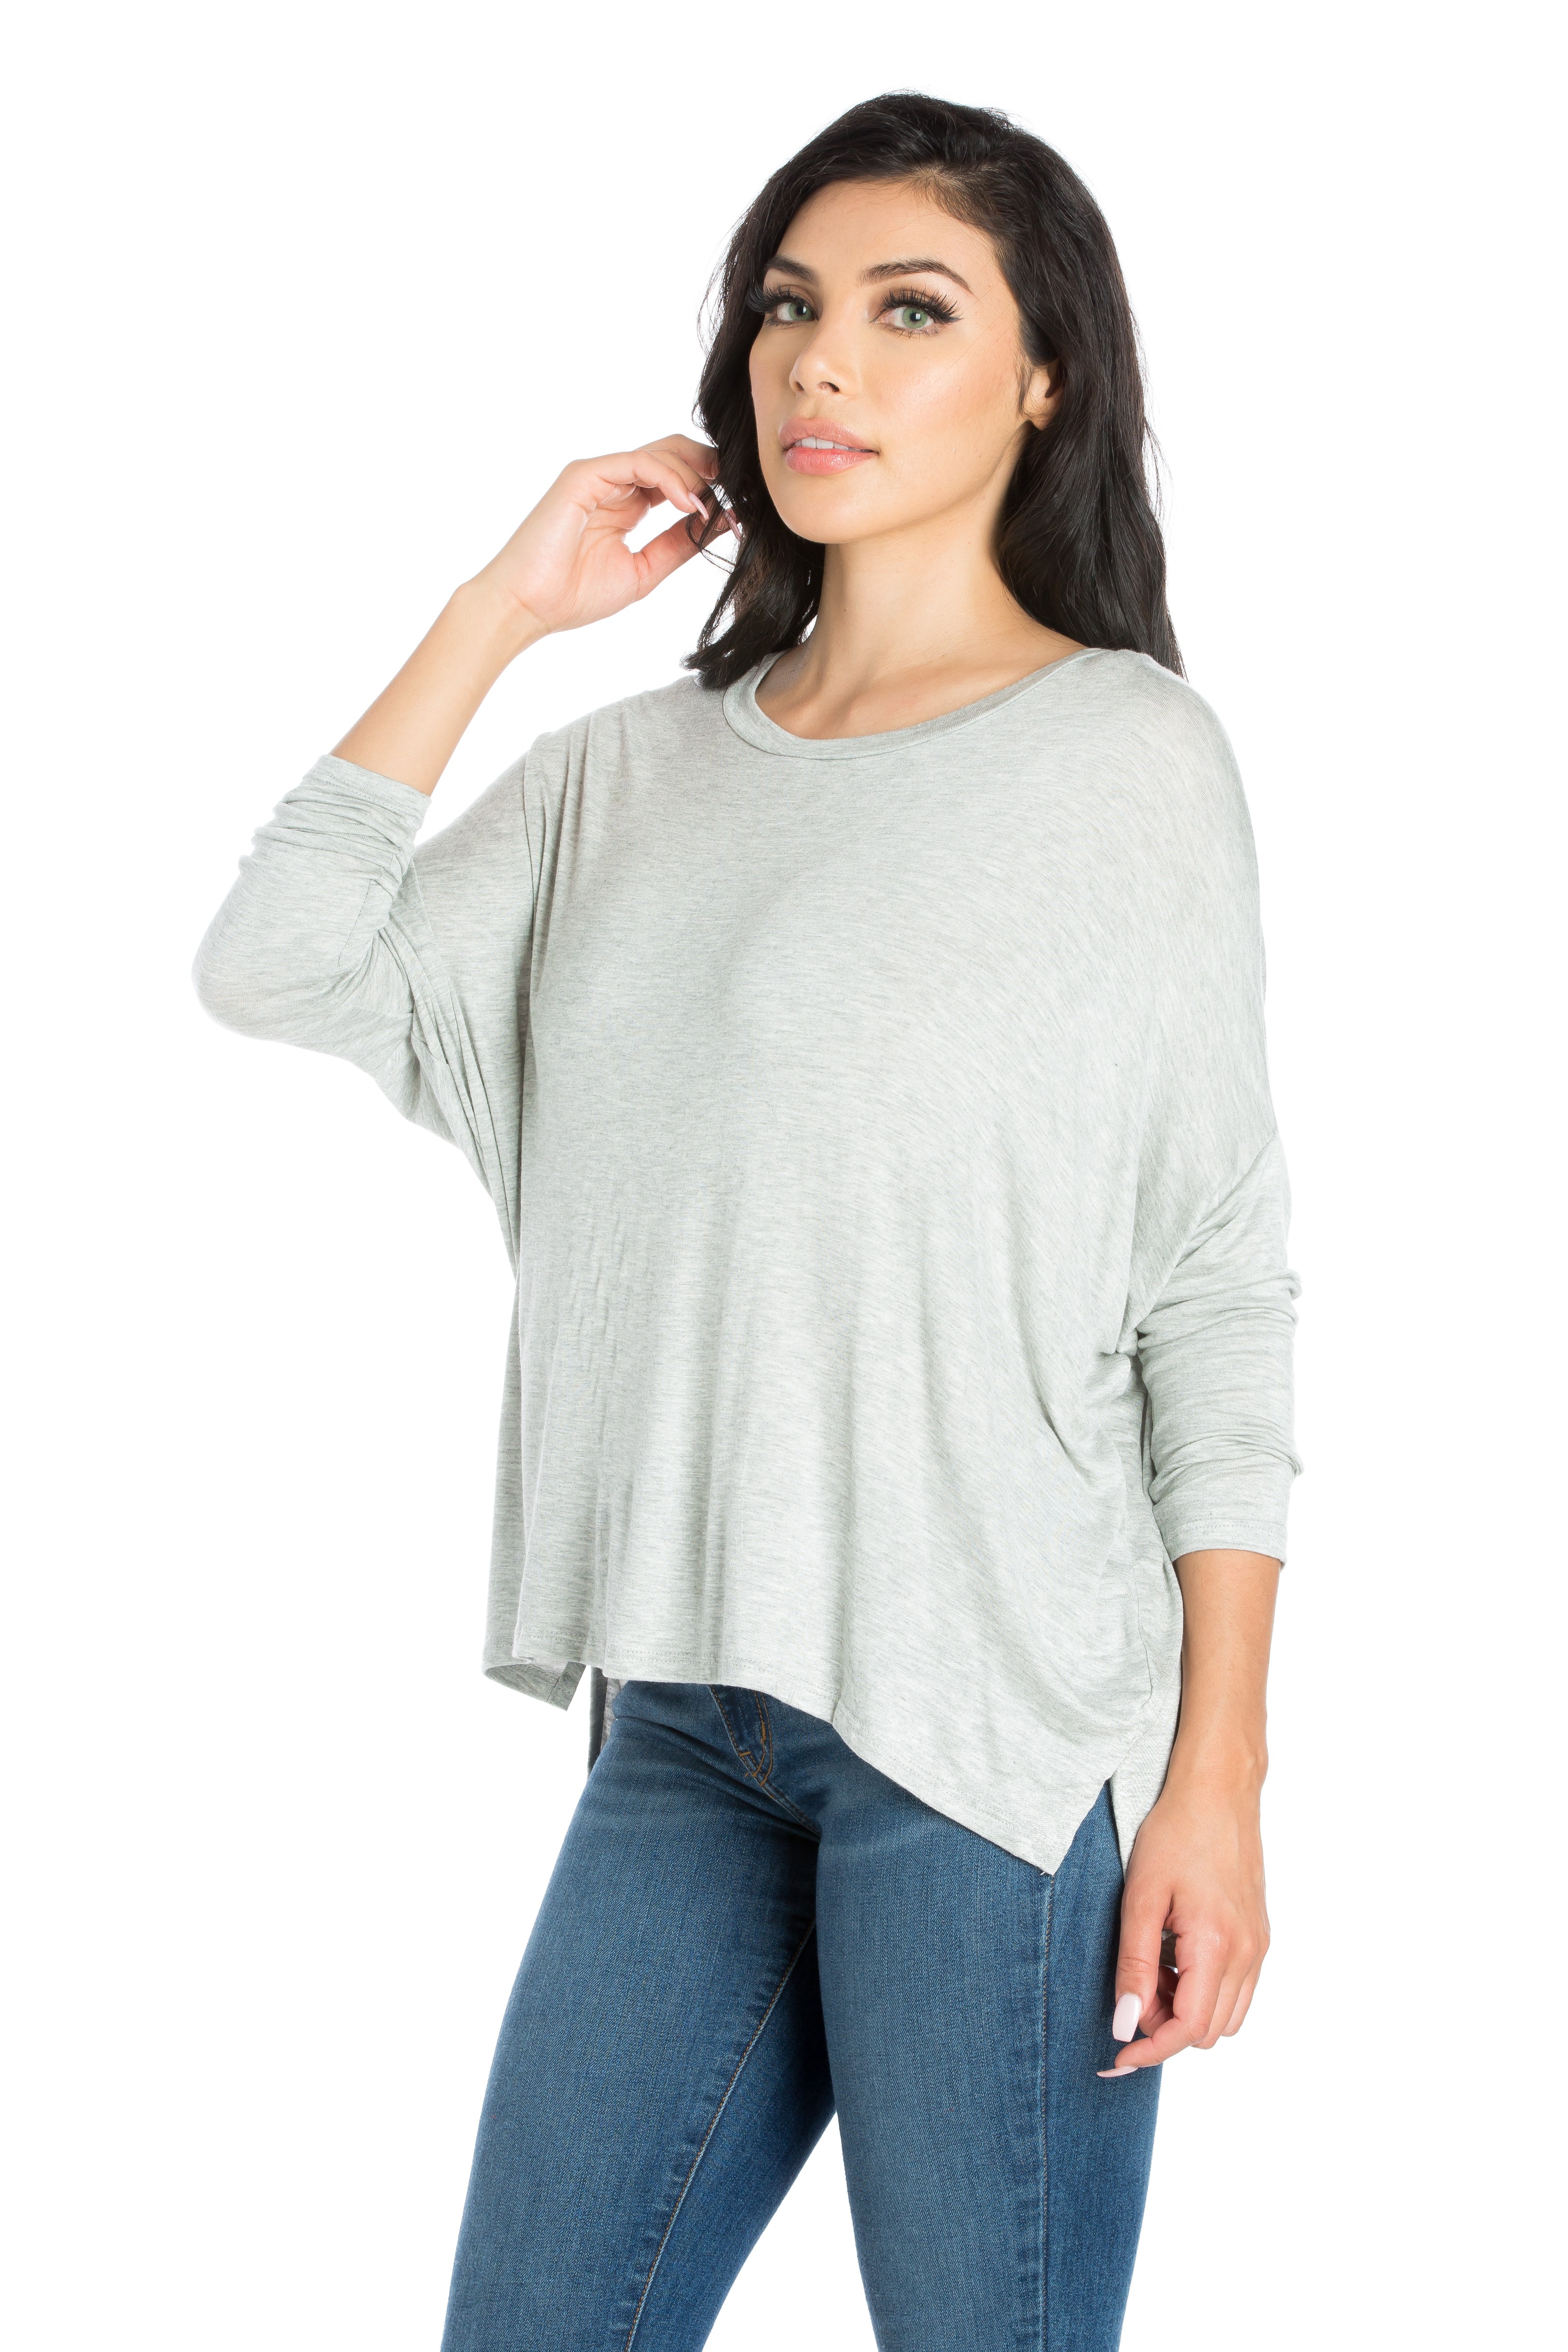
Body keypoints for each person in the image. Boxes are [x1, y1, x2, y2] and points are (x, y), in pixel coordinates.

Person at [193, 89, 1301, 2352]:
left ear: (1043, 381)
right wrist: (503, 610)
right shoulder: (625, 777)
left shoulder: (1122, 759)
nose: (825, 362)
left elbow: (1209, 1279)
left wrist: (1217, 1774)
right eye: (792, 308)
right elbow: (277, 963)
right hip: (690, 1713)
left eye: (912, 312)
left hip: (991, 1741)